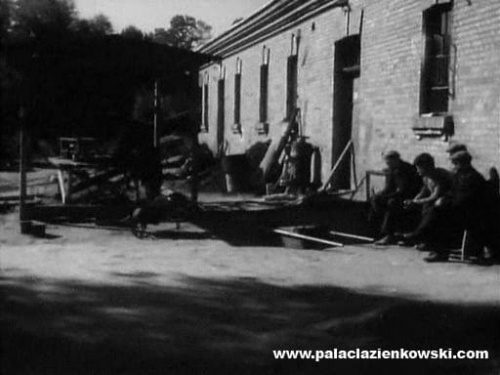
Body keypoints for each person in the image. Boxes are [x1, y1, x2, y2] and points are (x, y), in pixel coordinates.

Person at [425, 151, 500, 262]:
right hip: (466, 210)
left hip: (476, 213)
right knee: (436, 210)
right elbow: (453, 192)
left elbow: (465, 198)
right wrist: (444, 199)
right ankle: (437, 248)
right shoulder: (460, 175)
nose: (454, 167)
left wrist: (448, 203)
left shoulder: (472, 177)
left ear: (463, 164)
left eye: (455, 164)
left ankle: (440, 251)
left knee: (440, 215)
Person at [399, 153, 453, 249]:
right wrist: (414, 200)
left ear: (426, 167)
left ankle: (424, 239)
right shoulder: (426, 177)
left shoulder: (439, 177)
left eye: (419, 168)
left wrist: (416, 202)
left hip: (446, 203)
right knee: (411, 207)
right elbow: (424, 190)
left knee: (429, 209)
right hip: (434, 202)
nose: (417, 170)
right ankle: (416, 237)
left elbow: (435, 196)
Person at [371, 151, 422, 245]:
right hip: (397, 194)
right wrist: (379, 195)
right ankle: (378, 231)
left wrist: (387, 196)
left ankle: (390, 235)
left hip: (410, 196)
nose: (388, 165)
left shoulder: (407, 169)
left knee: (392, 203)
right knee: (376, 200)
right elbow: (388, 187)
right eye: (387, 163)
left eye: (390, 162)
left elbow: (404, 189)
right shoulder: (391, 170)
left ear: (396, 160)